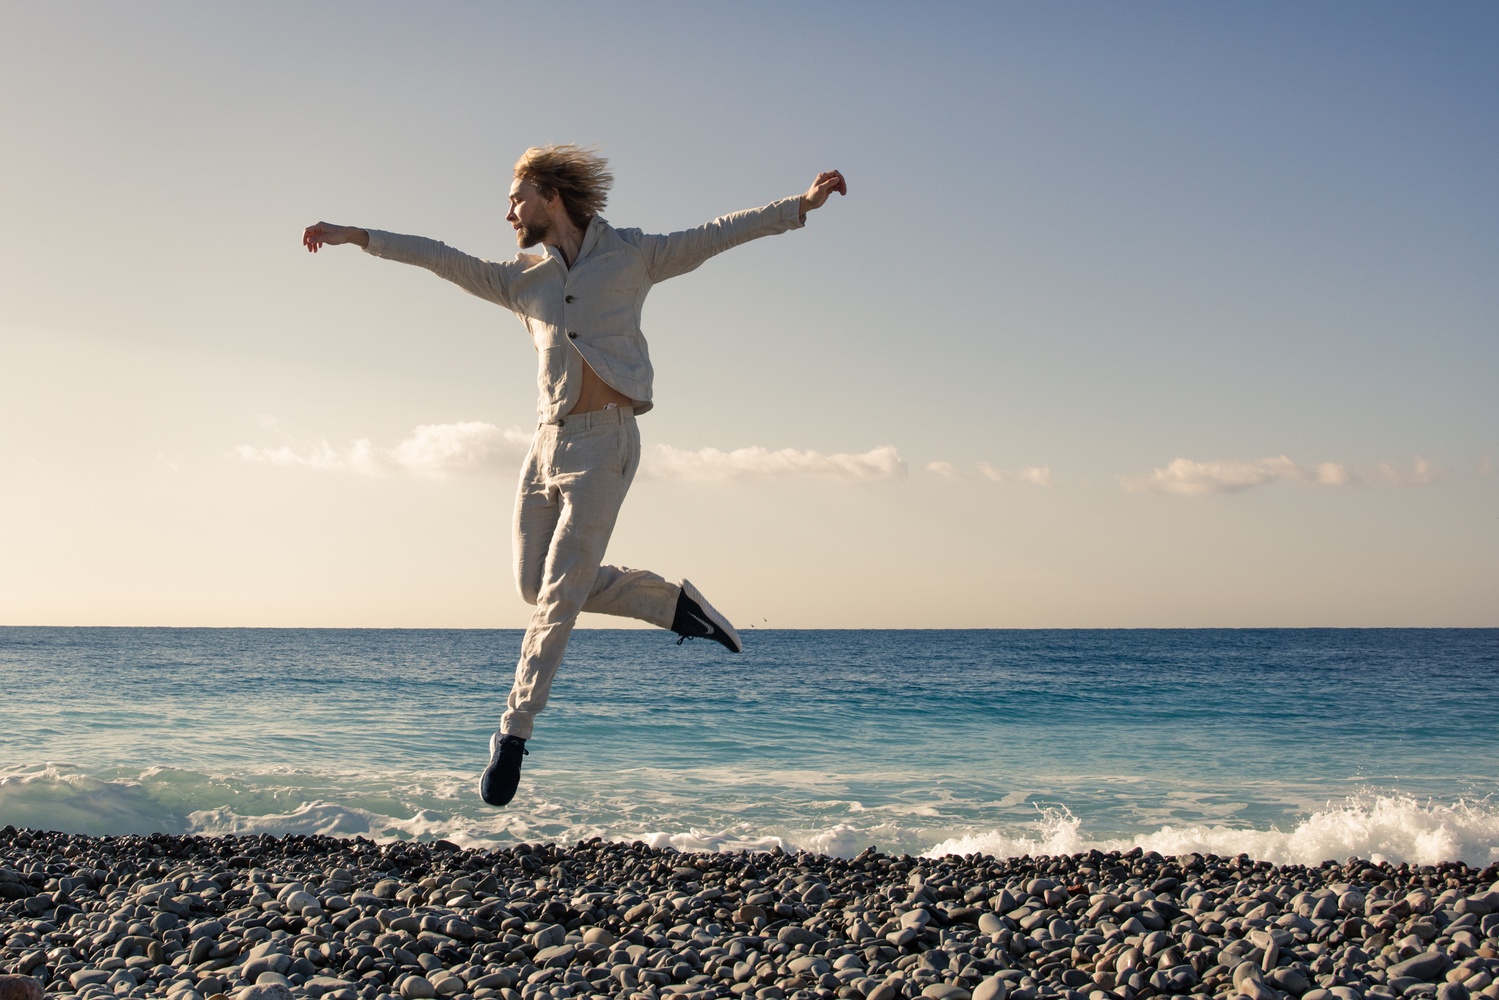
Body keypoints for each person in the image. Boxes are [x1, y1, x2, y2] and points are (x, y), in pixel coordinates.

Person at [303, 145, 846, 807]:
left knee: (560, 594)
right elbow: (440, 257)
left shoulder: (633, 255)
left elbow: (716, 234)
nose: (508, 212)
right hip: (544, 448)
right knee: (535, 587)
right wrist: (359, 236)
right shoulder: (520, 280)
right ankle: (670, 605)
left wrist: (800, 207)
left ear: (550, 197)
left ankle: (512, 734)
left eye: (516, 198)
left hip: (606, 446)